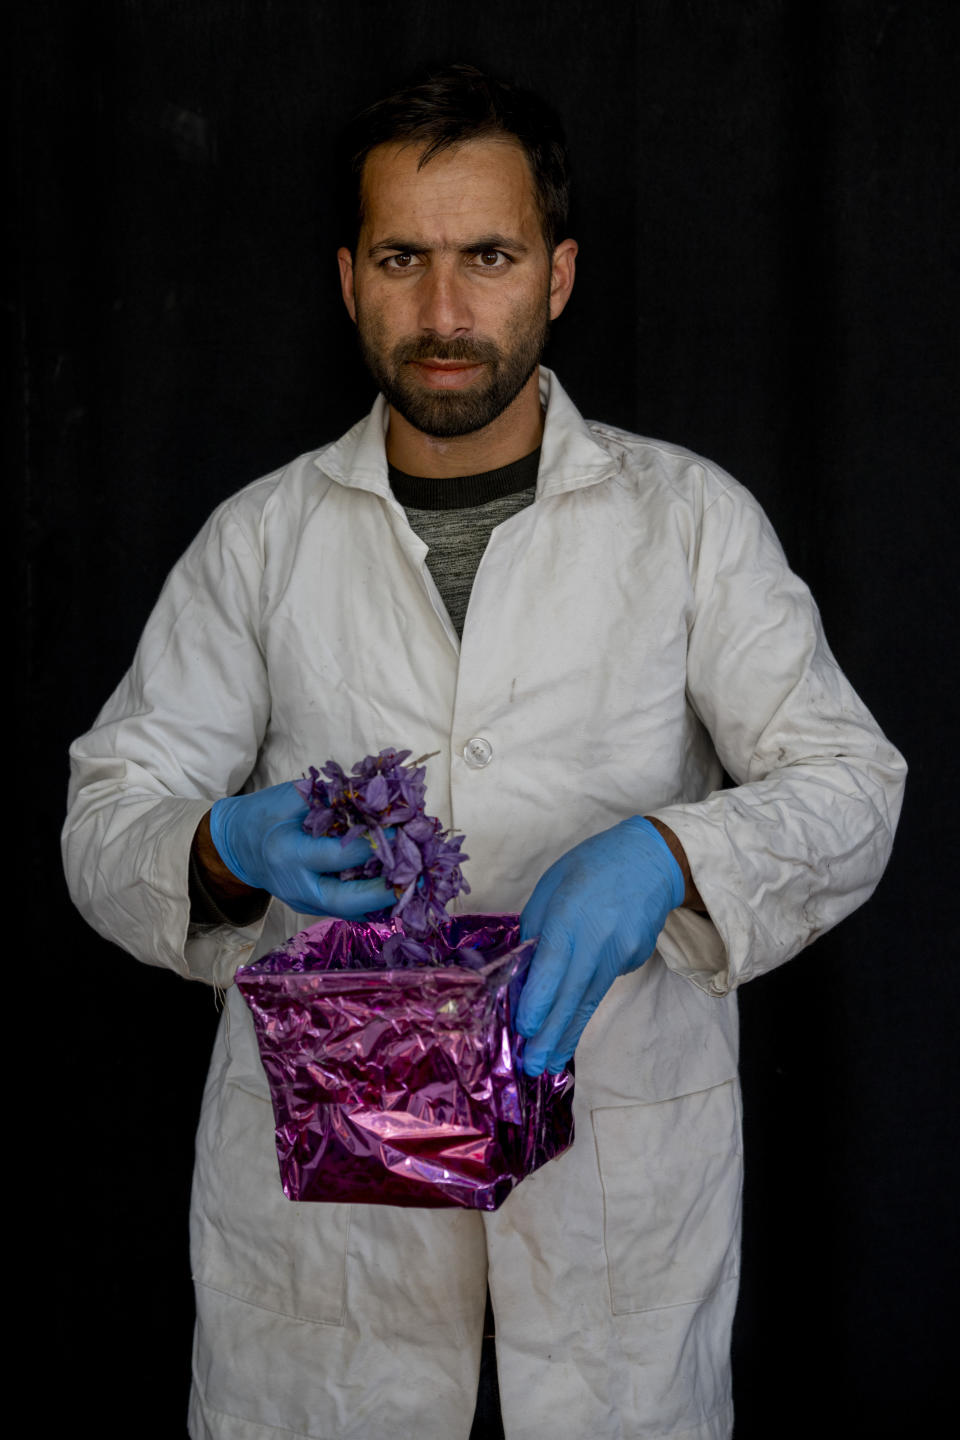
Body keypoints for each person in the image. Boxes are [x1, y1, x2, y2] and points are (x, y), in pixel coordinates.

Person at [63, 65, 906, 1440]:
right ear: (348, 279)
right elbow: (105, 818)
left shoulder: (686, 522)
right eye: (403, 258)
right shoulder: (259, 541)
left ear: (558, 274)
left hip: (617, 1247)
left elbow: (854, 786)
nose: (445, 312)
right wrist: (217, 850)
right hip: (328, 1287)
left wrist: (674, 854)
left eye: (489, 257)